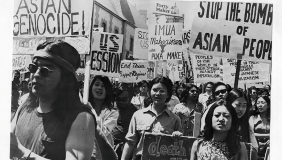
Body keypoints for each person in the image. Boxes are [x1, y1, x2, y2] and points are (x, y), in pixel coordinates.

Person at [10, 41, 96, 160]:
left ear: (65, 78)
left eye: (45, 70)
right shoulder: (25, 105)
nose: (36, 75)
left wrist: (21, 152)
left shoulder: (81, 118)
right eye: (33, 68)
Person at [121, 76, 183, 160]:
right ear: (150, 92)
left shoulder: (175, 120)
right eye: (155, 90)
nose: (158, 94)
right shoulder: (138, 115)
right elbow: (130, 143)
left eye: (162, 91)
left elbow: (178, 150)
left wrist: (178, 138)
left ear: (168, 94)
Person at [226, 89, 258, 159]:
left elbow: (254, 147)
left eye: (244, 106)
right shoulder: (223, 122)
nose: (241, 109)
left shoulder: (247, 124)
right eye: (238, 105)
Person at [88, 75, 119, 147]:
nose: (99, 88)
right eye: (97, 84)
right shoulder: (82, 107)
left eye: (103, 86)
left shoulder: (113, 113)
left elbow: (102, 132)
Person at [112, 83, 138, 160]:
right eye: (118, 99)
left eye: (124, 100)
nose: (121, 102)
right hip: (112, 147)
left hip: (128, 150)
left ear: (130, 98)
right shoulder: (111, 109)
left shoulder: (136, 113)